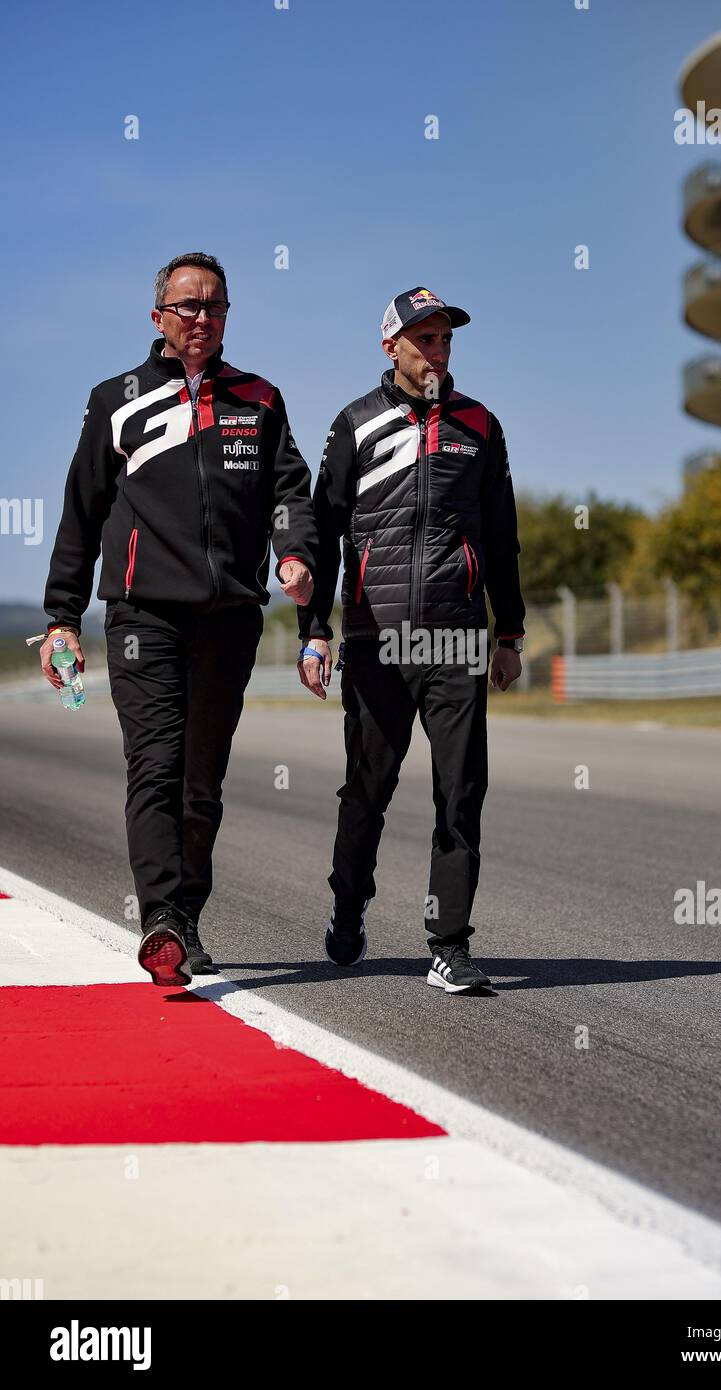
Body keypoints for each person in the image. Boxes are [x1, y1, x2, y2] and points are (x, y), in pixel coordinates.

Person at [41, 252, 316, 986]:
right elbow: (82, 510)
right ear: (158, 316)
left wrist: (293, 553)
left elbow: (290, 491)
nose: (202, 317)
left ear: (228, 315)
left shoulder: (260, 400)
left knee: (202, 781)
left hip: (230, 616)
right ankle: (159, 914)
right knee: (155, 765)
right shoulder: (115, 399)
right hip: (142, 613)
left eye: (215, 305)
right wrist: (63, 615)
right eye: (188, 305)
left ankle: (186, 918)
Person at [297, 286, 524, 993]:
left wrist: (508, 629)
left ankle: (449, 944)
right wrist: (316, 632)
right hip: (375, 638)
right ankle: (347, 902)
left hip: (457, 639)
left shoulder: (480, 425)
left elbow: (503, 534)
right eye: (424, 338)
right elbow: (321, 530)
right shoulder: (354, 425)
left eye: (446, 338)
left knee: (461, 791)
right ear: (390, 344)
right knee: (368, 790)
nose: (438, 350)